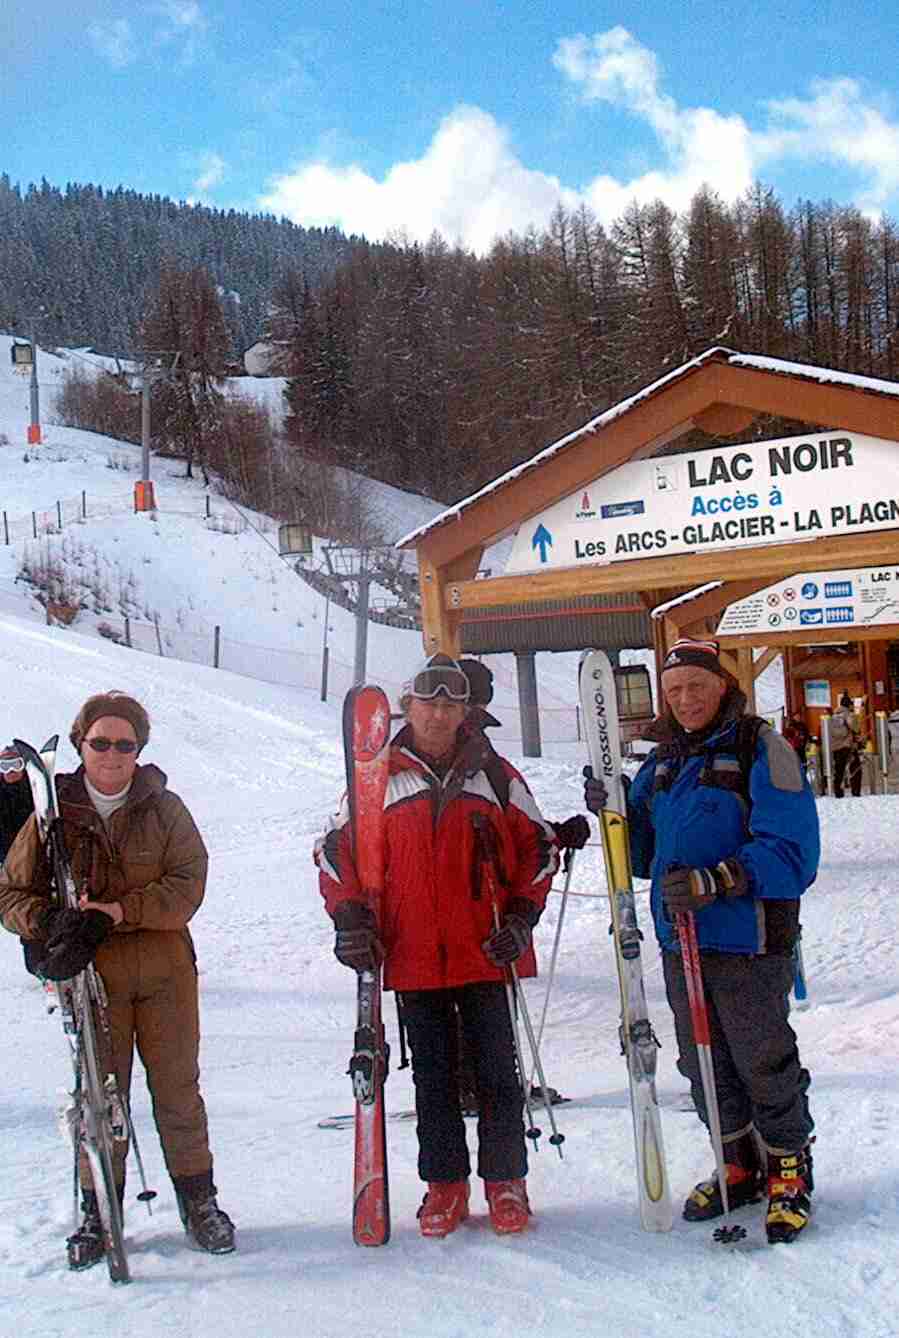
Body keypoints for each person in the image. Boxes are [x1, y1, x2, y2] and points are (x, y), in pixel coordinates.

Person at [584, 637, 820, 1244]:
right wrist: (611, 811)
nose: (685, 699)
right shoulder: (662, 763)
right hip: (678, 936)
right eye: (674, 690)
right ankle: (738, 1162)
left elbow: (794, 852)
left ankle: (788, 1168)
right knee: (702, 1063)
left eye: (696, 686)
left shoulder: (761, 750)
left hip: (748, 937)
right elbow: (641, 854)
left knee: (760, 1058)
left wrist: (723, 878)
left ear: (723, 687)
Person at [316, 653, 559, 1238]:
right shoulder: (376, 776)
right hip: (413, 954)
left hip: (485, 949)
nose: (440, 713)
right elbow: (333, 853)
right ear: (410, 707)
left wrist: (523, 915)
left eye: (452, 703)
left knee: (500, 1074)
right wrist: (350, 917)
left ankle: (506, 1182)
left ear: (466, 711)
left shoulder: (495, 775)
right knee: (434, 1077)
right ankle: (444, 1185)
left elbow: (540, 847)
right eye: (429, 702)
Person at [0, 691, 235, 1269]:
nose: (111, 753)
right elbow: (10, 894)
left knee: (178, 1091)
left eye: (124, 743)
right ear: (81, 745)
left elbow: (187, 886)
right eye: (99, 742)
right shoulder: (52, 815)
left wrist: (119, 911)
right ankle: (98, 1207)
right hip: (92, 975)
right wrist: (50, 921)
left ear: (139, 750)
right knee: (100, 1096)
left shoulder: (166, 808)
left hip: (164, 972)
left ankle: (198, 1201)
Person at [830, 699, 861, 798]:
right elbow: (855, 728)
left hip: (835, 747)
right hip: (847, 746)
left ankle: (838, 792)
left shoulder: (833, 716)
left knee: (839, 770)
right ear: (849, 705)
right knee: (856, 768)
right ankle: (855, 791)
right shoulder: (848, 715)